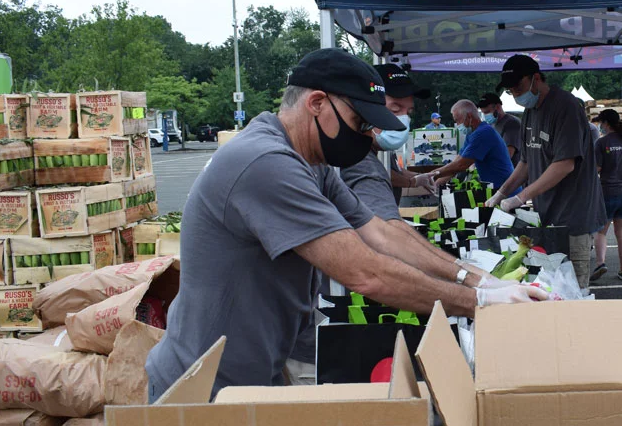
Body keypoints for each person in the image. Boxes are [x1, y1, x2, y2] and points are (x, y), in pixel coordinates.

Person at [145, 49, 546, 400]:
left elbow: (383, 233)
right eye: (358, 123)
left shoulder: (312, 163)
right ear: (317, 103)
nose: (365, 135)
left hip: (253, 373)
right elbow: (365, 272)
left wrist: (478, 279)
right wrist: (479, 304)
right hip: (202, 385)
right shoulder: (266, 163)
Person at [486, 55, 607, 287]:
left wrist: (521, 197)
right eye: (511, 91)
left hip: (574, 217)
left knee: (574, 290)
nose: (516, 94)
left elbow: (565, 164)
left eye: (518, 87)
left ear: (536, 79)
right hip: (547, 216)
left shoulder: (566, 107)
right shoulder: (530, 112)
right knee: (550, 287)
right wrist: (502, 193)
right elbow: (526, 162)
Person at [340, 63, 430, 219]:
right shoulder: (359, 161)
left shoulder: (374, 151)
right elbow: (383, 228)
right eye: (395, 110)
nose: (403, 121)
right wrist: (413, 182)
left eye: (408, 112)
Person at [417, 99, 516, 193]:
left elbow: (461, 165)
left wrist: (430, 176)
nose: (457, 124)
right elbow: (456, 163)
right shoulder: (472, 134)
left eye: (458, 120)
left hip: (505, 190)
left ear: (469, 117)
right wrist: (437, 183)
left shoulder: (483, 133)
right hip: (496, 189)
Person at [592, 109, 622, 281]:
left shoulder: (601, 143)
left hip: (607, 193)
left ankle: (600, 263)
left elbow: (597, 169)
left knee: (601, 231)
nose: (600, 126)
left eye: (600, 123)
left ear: (605, 123)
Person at [477, 93, 522, 165]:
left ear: (498, 107)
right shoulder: (492, 124)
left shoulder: (512, 123)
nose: (485, 116)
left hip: (510, 172)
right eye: (483, 113)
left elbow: (508, 154)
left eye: (487, 112)